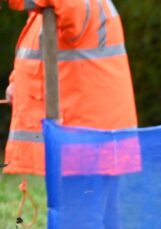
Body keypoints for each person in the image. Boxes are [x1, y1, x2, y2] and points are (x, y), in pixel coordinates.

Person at [3, 0, 138, 175]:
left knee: (86, 201)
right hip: (81, 137)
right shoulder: (47, 12)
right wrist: (18, 85)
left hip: (89, 140)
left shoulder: (77, 4)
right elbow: (41, 57)